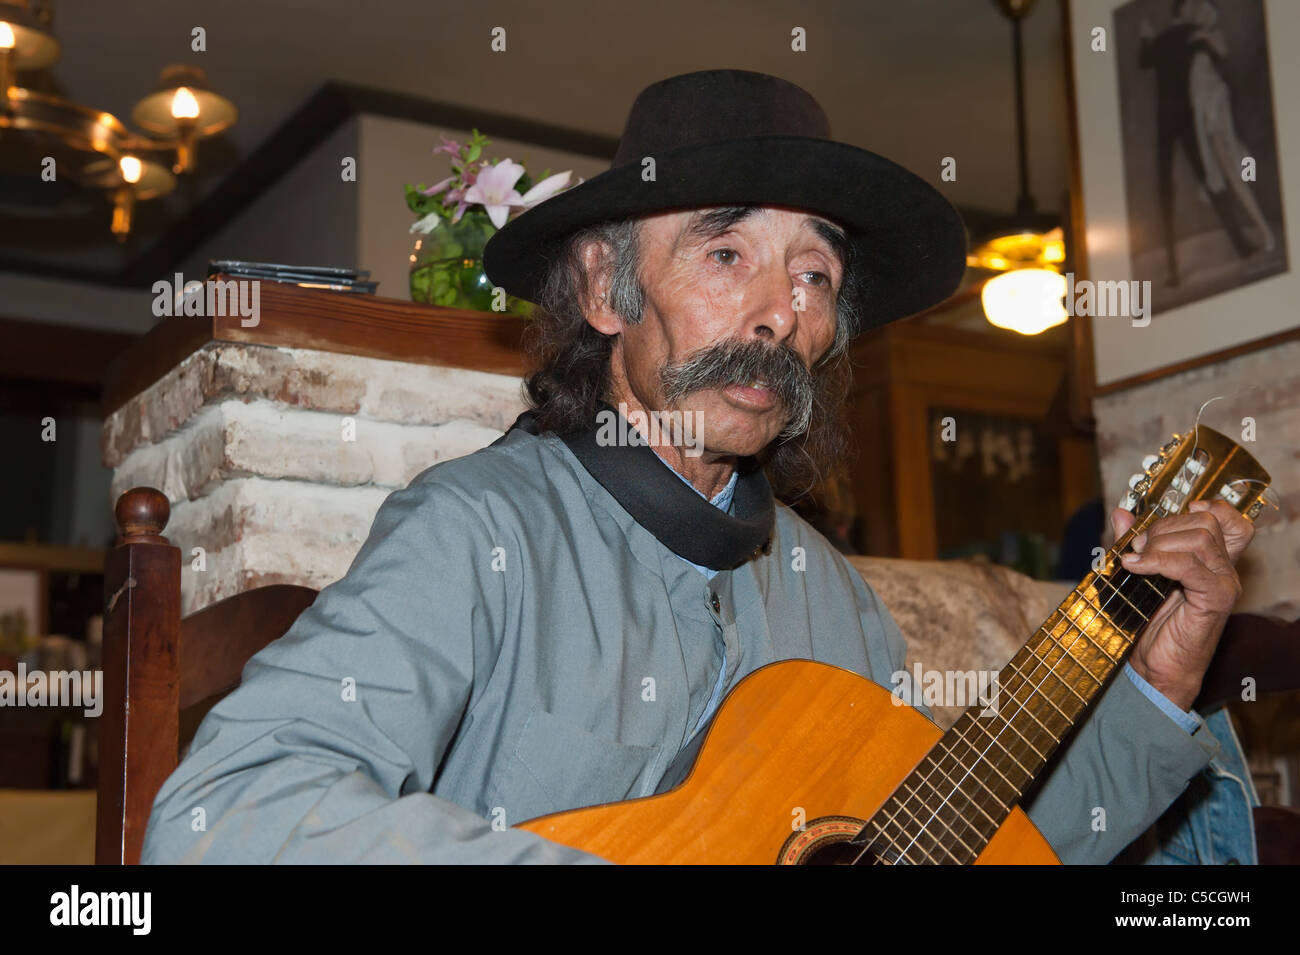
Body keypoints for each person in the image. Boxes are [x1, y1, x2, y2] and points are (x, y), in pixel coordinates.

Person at [140, 69, 1254, 864]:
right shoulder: (475, 532)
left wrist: (1153, 689)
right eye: (726, 254)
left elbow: (971, 844)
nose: (779, 311)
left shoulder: (833, 599)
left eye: (814, 276)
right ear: (602, 290)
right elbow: (225, 817)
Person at [1138, 0, 1255, 286]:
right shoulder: (1193, 34)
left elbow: (1144, 62)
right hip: (1188, 119)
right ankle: (1242, 245)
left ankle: (1173, 269)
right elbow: (1219, 59)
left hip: (1165, 120)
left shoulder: (1163, 39)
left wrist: (1145, 36)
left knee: (1165, 188)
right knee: (1212, 180)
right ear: (1185, 10)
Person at [1186, 0, 1276, 255]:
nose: (1201, 13)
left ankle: (1264, 228)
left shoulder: (1211, 36)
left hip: (1216, 105)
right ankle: (1261, 227)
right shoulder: (1193, 39)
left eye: (1206, 9)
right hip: (1206, 111)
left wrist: (1205, 35)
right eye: (1198, 9)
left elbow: (1222, 53)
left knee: (1234, 173)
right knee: (1229, 173)